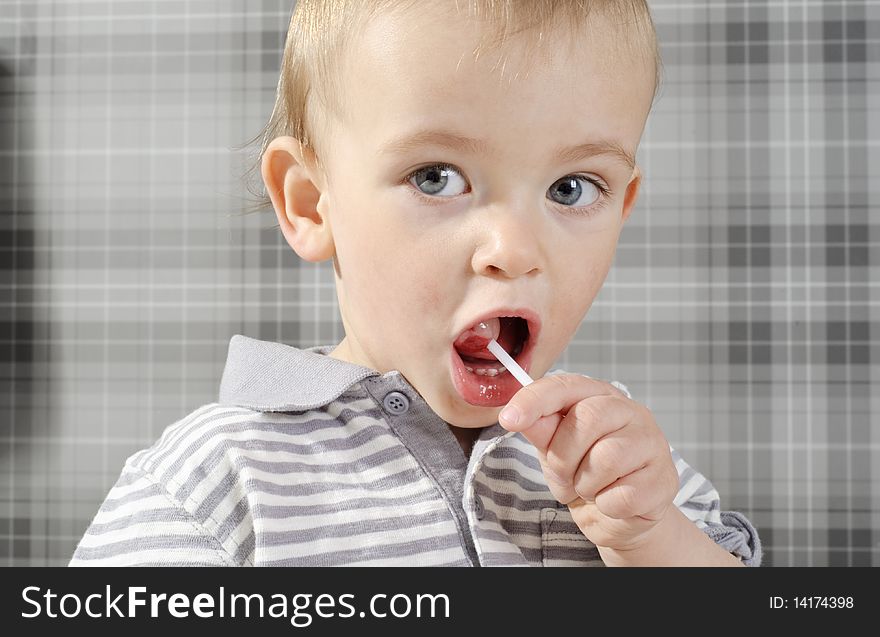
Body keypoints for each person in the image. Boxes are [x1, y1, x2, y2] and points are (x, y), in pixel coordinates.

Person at [70, 0, 761, 567]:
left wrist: (649, 540)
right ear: (313, 203)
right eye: (437, 177)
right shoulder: (217, 483)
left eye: (572, 188)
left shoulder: (624, 470)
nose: (513, 251)